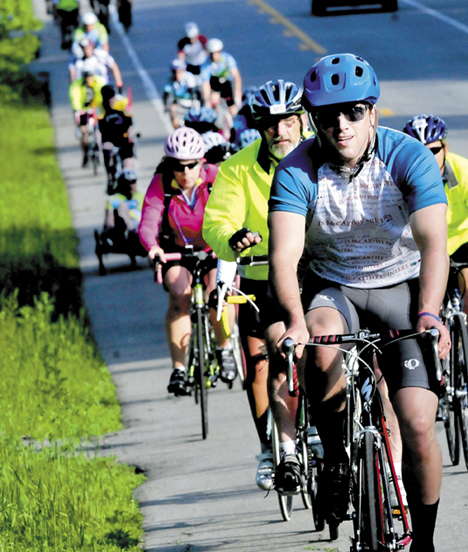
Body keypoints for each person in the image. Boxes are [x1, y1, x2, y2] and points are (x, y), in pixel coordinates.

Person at [268, 54, 449, 552]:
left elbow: (435, 246)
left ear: (372, 111)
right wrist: (293, 323)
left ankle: (425, 541)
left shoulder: (407, 156)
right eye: (327, 116)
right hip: (335, 287)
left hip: (402, 288)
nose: (340, 125)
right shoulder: (296, 170)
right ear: (313, 119)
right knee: (320, 350)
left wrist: (430, 314)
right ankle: (334, 458)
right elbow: (284, 257)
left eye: (352, 112)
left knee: (415, 422)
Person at [203, 79, 310, 492]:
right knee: (274, 355)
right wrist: (232, 239)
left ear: (302, 121)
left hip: (317, 273)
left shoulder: (322, 157)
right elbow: (217, 221)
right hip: (264, 279)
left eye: (287, 121)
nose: (280, 131)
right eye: (270, 124)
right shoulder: (237, 168)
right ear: (260, 127)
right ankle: (274, 446)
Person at [403, 114, 468, 398]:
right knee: (419, 309)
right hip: (421, 245)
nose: (428, 157)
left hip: (460, 240)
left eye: (434, 150)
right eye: (419, 151)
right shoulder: (401, 173)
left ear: (445, 148)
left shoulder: (464, 170)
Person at [137, 127, 238, 393]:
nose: (184, 173)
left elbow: (234, 212)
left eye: (191, 165)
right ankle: (179, 369)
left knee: (219, 292)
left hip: (214, 248)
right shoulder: (161, 183)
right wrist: (153, 247)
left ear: (202, 161)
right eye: (178, 166)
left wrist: (231, 242)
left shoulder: (217, 178)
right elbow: (148, 220)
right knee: (179, 293)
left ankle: (224, 348)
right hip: (177, 250)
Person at [99, 86, 136, 190]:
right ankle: (110, 177)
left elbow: (130, 123)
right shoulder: (100, 108)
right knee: (107, 150)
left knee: (128, 160)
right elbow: (98, 127)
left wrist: (130, 136)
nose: (110, 100)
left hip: (123, 138)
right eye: (108, 98)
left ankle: (129, 178)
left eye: (112, 97)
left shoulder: (123, 104)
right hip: (109, 139)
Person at [69, 69, 106, 167]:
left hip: (95, 108)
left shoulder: (99, 82)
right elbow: (75, 97)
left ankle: (98, 149)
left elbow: (102, 94)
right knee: (83, 131)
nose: (89, 80)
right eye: (87, 78)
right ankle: (85, 152)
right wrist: (77, 109)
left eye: (91, 78)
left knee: (101, 128)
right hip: (83, 109)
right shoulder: (78, 85)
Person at [200, 38, 242, 122]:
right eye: (212, 53)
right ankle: (217, 121)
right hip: (214, 84)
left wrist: (238, 91)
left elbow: (236, 76)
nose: (214, 56)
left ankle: (236, 123)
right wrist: (207, 99)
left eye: (217, 53)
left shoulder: (227, 59)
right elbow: (206, 84)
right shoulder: (206, 64)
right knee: (213, 100)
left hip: (226, 83)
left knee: (232, 107)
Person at [163, 59, 201, 129]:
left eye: (180, 72)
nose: (178, 75)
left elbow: (194, 93)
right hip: (180, 103)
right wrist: (166, 106)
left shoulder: (189, 78)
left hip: (191, 103)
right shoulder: (171, 80)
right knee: (173, 111)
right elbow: (166, 94)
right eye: (176, 72)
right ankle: (177, 130)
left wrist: (194, 103)